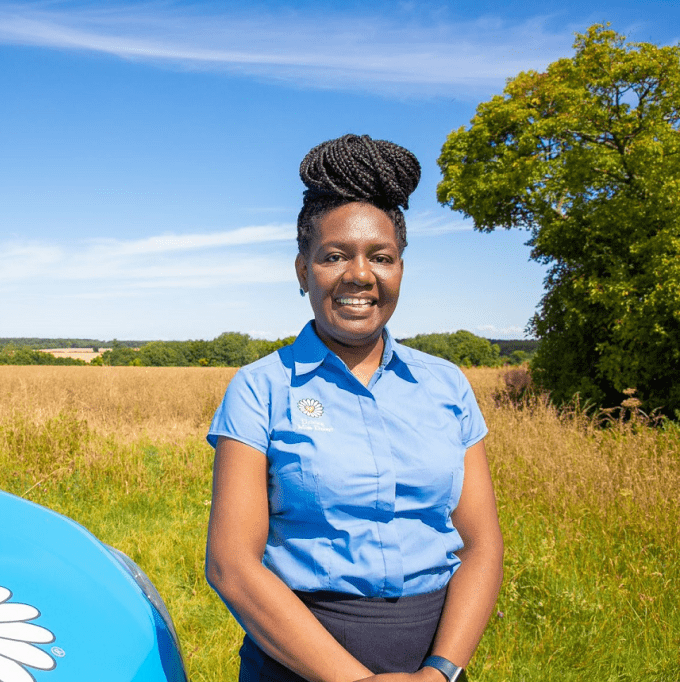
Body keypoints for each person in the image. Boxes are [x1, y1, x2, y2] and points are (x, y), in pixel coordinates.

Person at [204, 135, 503, 682]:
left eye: (381, 257)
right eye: (334, 255)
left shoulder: (448, 385)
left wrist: (441, 671)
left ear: (400, 269)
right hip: (297, 660)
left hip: (433, 660)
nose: (360, 276)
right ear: (302, 271)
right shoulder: (259, 389)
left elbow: (481, 546)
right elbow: (232, 566)